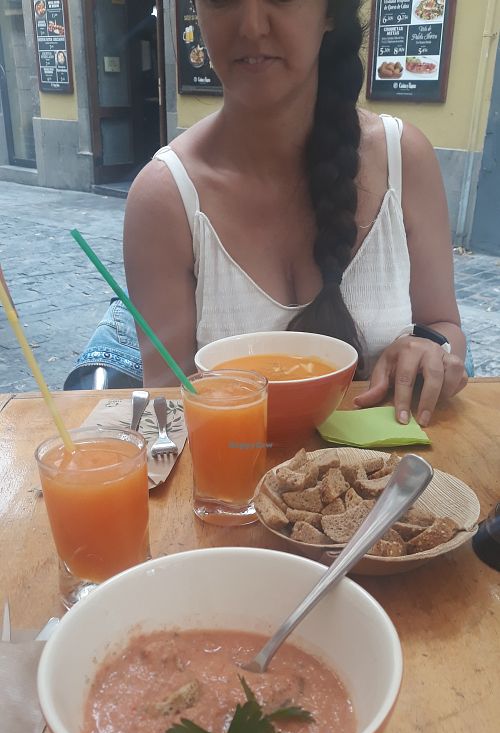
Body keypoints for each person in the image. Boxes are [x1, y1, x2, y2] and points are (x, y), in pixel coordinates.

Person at [123, 0, 468, 427]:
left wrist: (432, 348)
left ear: (329, 12)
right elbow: (169, 403)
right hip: (237, 485)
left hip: (389, 484)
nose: (251, 25)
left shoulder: (404, 160)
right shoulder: (165, 199)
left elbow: (443, 326)